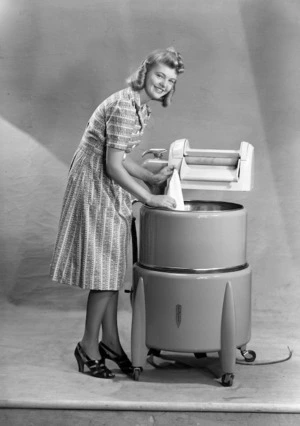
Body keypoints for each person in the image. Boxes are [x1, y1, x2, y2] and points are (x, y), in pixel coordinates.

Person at [50, 47, 185, 379]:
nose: (164, 84)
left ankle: (110, 342)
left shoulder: (138, 106)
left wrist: (151, 177)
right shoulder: (125, 107)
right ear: (144, 71)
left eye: (170, 80)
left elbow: (122, 158)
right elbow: (112, 166)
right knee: (105, 273)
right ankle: (87, 346)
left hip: (102, 182)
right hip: (94, 183)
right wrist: (149, 199)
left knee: (110, 270)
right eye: (159, 75)